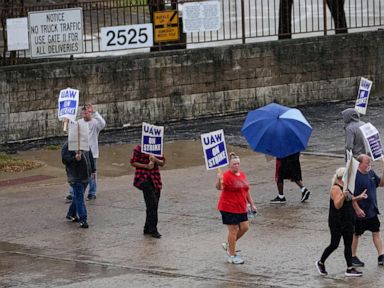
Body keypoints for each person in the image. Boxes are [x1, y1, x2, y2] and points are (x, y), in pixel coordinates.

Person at [316, 167, 367, 277]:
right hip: (337, 221)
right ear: (342, 177)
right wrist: (343, 194)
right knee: (334, 244)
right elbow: (337, 205)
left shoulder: (346, 187)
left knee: (348, 244)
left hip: (347, 219)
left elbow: (349, 200)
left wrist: (359, 197)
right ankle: (320, 262)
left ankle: (349, 269)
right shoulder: (336, 188)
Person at [216, 152, 257, 264]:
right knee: (233, 230)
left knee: (245, 227)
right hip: (228, 207)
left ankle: (229, 245)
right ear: (229, 165)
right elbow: (219, 187)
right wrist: (218, 179)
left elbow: (246, 190)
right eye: (234, 164)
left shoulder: (242, 174)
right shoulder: (226, 175)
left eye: (238, 164)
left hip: (241, 206)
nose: (236, 166)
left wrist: (252, 204)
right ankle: (232, 255)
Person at [66, 103, 106, 202]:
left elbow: (103, 123)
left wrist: (95, 112)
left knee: (92, 173)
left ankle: (92, 193)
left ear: (90, 113)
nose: (85, 115)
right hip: (80, 152)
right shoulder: (79, 122)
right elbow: (71, 132)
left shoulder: (95, 123)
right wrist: (67, 121)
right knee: (76, 173)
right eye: (84, 113)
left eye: (87, 113)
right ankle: (72, 193)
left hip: (92, 153)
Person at [351, 154, 384, 267]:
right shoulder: (355, 177)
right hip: (360, 211)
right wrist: (357, 209)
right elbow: (350, 196)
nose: (369, 164)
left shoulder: (371, 173)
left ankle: (381, 256)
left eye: (369, 162)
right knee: (356, 234)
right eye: (367, 163)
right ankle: (353, 256)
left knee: (376, 232)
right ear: (360, 164)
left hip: (372, 210)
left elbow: (381, 184)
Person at [130, 144, 165, 239]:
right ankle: (153, 229)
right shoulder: (138, 148)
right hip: (143, 178)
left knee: (153, 204)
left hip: (155, 179)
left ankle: (147, 227)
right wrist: (146, 166)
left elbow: (162, 162)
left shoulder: (158, 147)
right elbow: (133, 162)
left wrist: (155, 160)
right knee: (152, 203)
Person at [62, 141, 95, 229]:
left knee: (78, 197)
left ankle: (71, 214)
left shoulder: (84, 142)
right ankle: (83, 219)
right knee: (80, 198)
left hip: (85, 176)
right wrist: (75, 159)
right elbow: (65, 159)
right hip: (75, 177)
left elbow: (90, 157)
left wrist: (93, 170)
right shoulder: (68, 145)